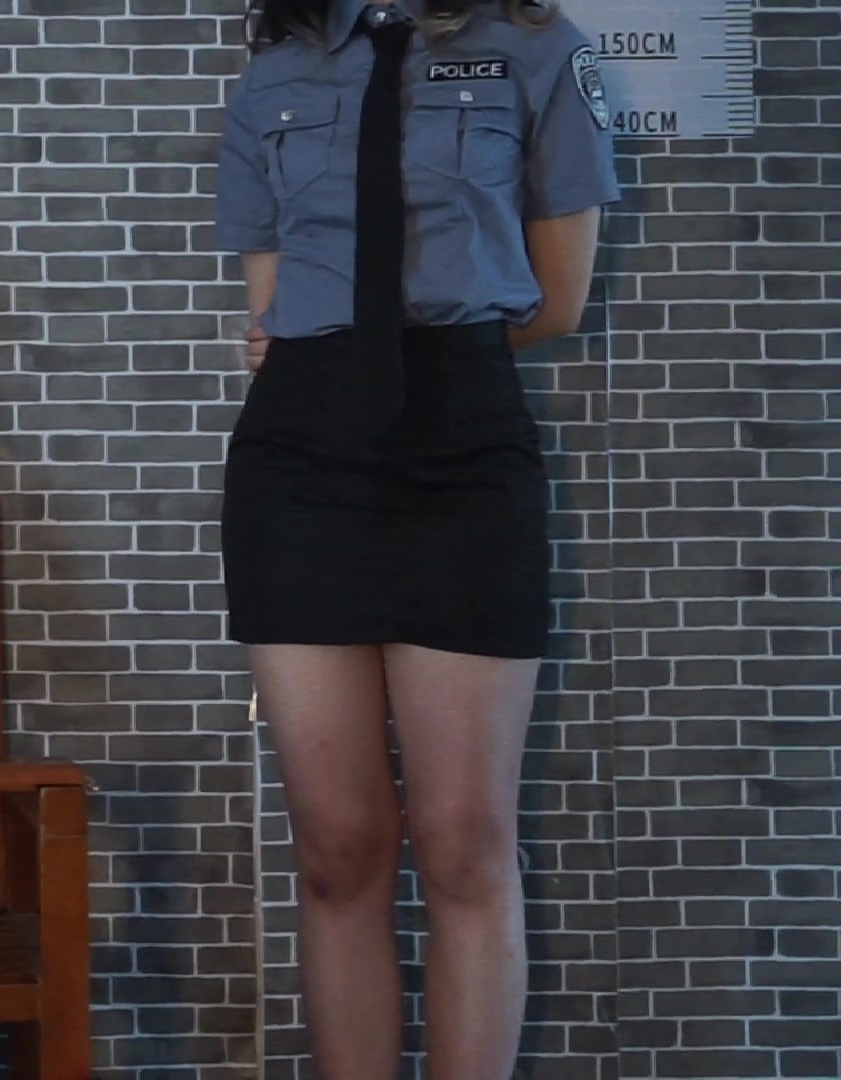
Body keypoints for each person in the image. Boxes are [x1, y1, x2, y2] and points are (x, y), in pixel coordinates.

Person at [214, 1, 616, 1077]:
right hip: (300, 461)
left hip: (462, 441)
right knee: (338, 848)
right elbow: (270, 302)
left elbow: (557, 302)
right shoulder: (274, 72)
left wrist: (408, 346)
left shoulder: (540, 50)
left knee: (464, 842)